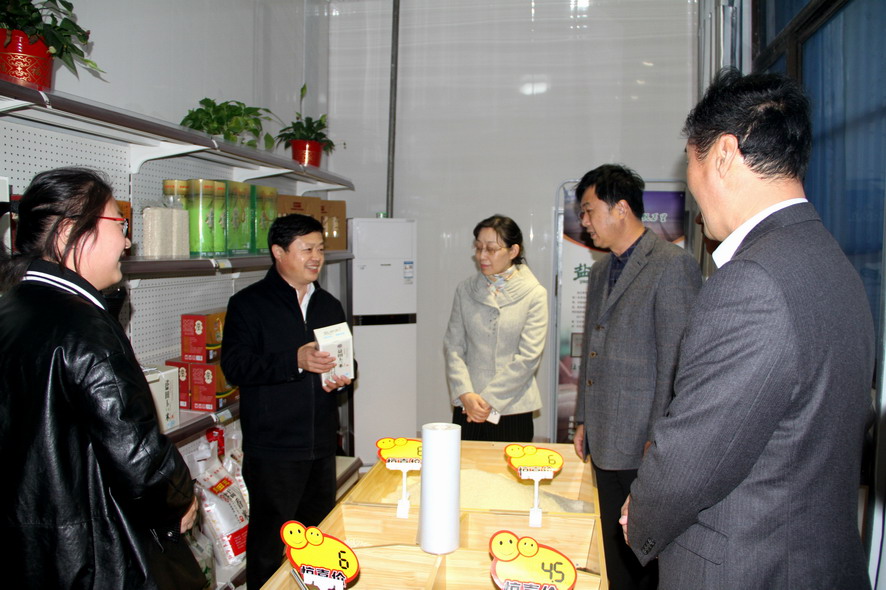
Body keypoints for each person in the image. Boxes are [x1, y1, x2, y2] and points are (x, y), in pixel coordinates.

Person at [621, 68, 875, 589]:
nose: (692, 190)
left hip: (749, 567)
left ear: (722, 154)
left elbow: (691, 459)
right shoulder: (833, 264)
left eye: (690, 162)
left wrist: (639, 517)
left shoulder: (751, 283)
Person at [0, 167, 202, 589]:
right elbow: (138, 456)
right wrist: (179, 497)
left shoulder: (11, 310)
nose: (127, 242)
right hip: (95, 556)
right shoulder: (84, 328)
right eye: (119, 225)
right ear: (68, 232)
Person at [572, 163, 701, 590]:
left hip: (644, 446)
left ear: (621, 208)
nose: (584, 221)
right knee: (612, 553)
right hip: (604, 438)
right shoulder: (599, 271)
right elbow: (591, 351)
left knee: (645, 558)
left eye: (589, 210)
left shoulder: (671, 266)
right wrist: (583, 419)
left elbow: (678, 363)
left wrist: (659, 438)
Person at [221, 213, 352, 589]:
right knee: (268, 545)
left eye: (320, 249)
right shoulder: (248, 304)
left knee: (317, 540)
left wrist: (342, 376)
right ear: (278, 252)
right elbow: (236, 366)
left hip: (321, 444)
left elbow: (344, 357)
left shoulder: (328, 304)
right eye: (307, 249)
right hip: (273, 448)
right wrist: (294, 361)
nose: (317, 257)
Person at [444, 214, 547, 442]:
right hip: (468, 406)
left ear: (513, 251)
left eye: (491, 249)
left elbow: (528, 357)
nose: (482, 256)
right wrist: (466, 394)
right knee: (464, 464)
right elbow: (453, 347)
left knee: (508, 466)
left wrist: (488, 399)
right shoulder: (465, 290)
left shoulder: (534, 294)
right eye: (479, 248)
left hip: (513, 407)